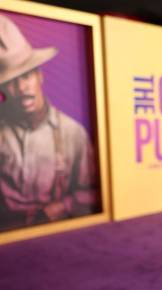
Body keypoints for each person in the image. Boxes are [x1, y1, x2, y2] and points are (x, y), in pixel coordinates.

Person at [0, 15, 99, 231]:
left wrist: (61, 207)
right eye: (10, 81)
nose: (22, 87)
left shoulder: (72, 133)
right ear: (2, 89)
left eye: (26, 76)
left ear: (40, 76)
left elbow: (91, 192)